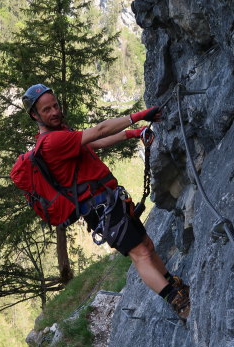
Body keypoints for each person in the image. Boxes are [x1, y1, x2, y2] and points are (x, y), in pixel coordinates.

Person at [11, 83, 190, 319]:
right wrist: (138, 117)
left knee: (146, 245)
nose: (54, 112)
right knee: (140, 254)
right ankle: (177, 302)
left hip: (109, 201)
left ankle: (172, 283)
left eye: (55, 105)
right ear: (35, 115)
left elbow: (95, 143)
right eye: (47, 110)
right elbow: (99, 131)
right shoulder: (51, 143)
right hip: (101, 208)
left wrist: (133, 133)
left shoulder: (60, 134)